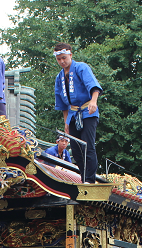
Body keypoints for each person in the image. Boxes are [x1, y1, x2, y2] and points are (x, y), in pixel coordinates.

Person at [53, 42, 102, 184]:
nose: (62, 61)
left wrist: (94, 101)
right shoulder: (59, 77)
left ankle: (90, 180)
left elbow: (93, 86)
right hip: (72, 114)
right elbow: (62, 103)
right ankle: (83, 177)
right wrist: (66, 122)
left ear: (70, 55)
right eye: (59, 59)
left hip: (88, 111)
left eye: (64, 58)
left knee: (88, 145)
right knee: (75, 149)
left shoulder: (81, 67)